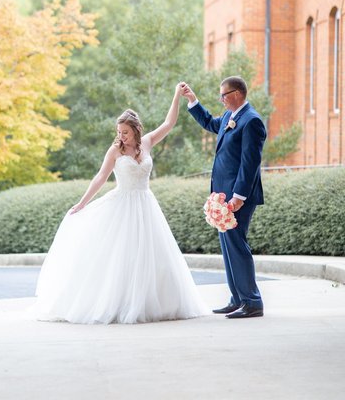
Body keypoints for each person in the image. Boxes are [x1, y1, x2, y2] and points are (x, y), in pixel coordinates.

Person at [31, 83, 210, 324]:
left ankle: (151, 302)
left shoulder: (146, 143)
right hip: (121, 205)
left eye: (125, 132)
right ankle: (120, 303)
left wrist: (178, 96)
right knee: (121, 256)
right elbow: (100, 177)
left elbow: (168, 124)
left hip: (146, 204)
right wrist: (82, 203)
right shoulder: (114, 151)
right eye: (118, 132)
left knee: (150, 255)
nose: (121, 136)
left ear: (135, 130)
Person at [181, 76, 266, 319]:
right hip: (223, 196)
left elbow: (249, 164)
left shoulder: (251, 121)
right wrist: (193, 100)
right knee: (228, 247)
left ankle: (252, 301)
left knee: (237, 246)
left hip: (238, 197)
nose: (221, 99)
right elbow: (209, 122)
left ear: (238, 93)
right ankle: (237, 298)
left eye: (224, 95)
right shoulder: (230, 117)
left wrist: (238, 196)